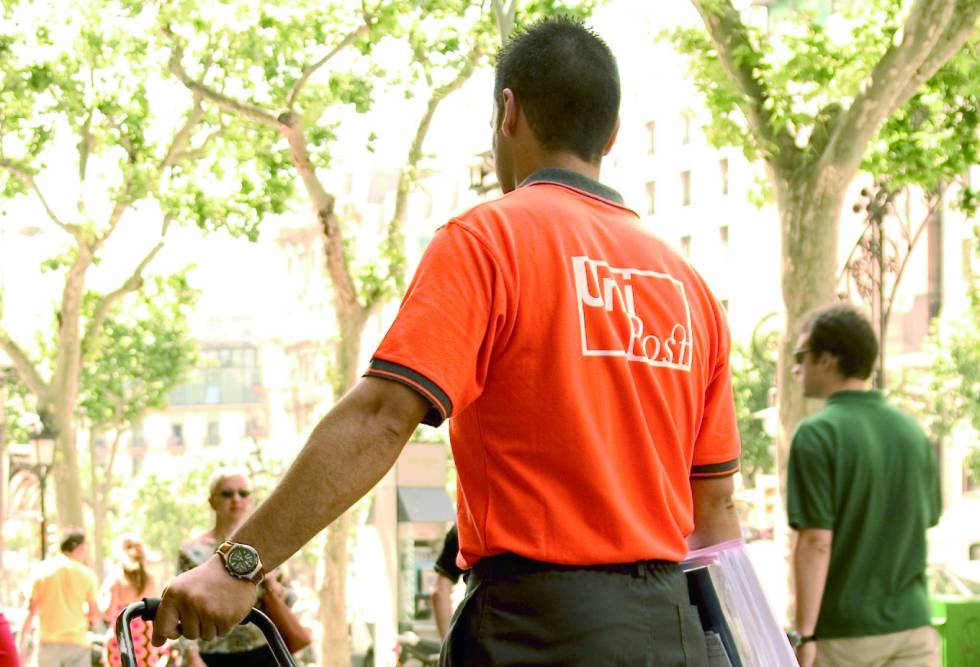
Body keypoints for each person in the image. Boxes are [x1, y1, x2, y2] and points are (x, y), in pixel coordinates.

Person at [153, 17, 742, 666]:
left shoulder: (488, 240)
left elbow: (382, 416)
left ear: (507, 112)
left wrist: (237, 565)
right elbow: (714, 515)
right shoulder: (689, 287)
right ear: (612, 133)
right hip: (674, 633)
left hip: (536, 632)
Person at [787, 303, 942, 667]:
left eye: (802, 355)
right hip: (915, 630)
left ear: (828, 359)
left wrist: (805, 634)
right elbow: (926, 520)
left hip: (845, 639)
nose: (797, 367)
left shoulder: (816, 434)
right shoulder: (912, 432)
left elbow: (815, 541)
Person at [176, 469, 275, 667]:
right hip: (213, 654)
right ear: (212, 501)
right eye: (227, 493)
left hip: (262, 650)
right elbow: (182, 607)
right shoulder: (192, 551)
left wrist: (274, 586)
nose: (236, 499)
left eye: (243, 493)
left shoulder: (267, 544)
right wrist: (191, 655)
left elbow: (289, 599)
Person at [19, 530, 99, 667]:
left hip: (48, 642)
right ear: (78, 548)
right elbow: (94, 615)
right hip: (77, 643)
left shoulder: (42, 571)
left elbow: (31, 611)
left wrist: (21, 643)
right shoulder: (87, 575)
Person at [99, 535, 165, 667]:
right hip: (146, 641)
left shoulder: (115, 580)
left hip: (122, 640)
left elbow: (109, 613)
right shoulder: (150, 580)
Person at [430, 525, 463, 639]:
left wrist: (448, 646)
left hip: (485, 640)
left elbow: (439, 592)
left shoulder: (467, 525)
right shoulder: (520, 525)